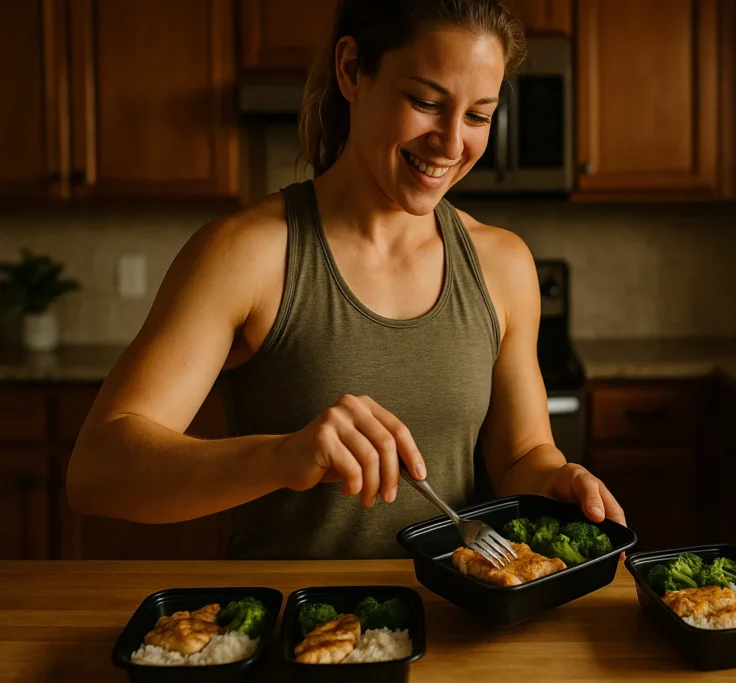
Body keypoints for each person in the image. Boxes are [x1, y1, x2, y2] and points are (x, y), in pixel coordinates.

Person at [67, 0, 625, 560]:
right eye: (426, 102)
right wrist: (283, 457)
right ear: (352, 70)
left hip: (451, 628)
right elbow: (99, 471)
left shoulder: (503, 264)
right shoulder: (246, 254)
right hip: (293, 630)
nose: (453, 144)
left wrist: (557, 480)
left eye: (478, 115)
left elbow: (522, 456)